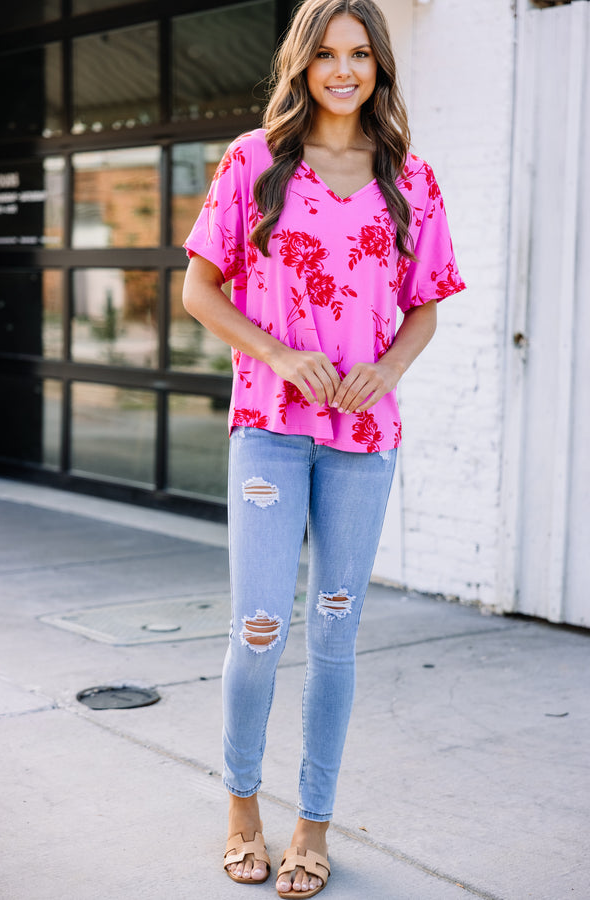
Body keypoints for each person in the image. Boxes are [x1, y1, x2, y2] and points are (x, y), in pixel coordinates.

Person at [182, 0, 465, 895]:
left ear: (379, 65)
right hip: (269, 429)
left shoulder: (408, 179)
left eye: (361, 54)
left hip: (362, 439)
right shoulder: (254, 162)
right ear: (302, 63)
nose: (344, 70)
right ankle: (240, 806)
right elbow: (198, 289)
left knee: (336, 637)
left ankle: (313, 825)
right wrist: (276, 352)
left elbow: (426, 303)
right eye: (328, 54)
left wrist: (386, 372)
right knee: (259, 630)